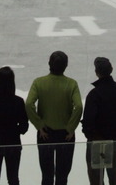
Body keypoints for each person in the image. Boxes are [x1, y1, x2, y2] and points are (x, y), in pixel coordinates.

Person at [25, 51, 83, 185]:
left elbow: (28, 104)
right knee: (62, 176)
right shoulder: (71, 84)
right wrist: (71, 127)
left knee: (47, 175)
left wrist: (39, 125)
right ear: (66, 65)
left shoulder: (39, 82)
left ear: (49, 64)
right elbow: (79, 106)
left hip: (45, 133)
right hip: (65, 134)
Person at [81, 57, 116, 185]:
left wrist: (91, 136)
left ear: (96, 72)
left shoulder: (94, 94)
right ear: (111, 69)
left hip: (97, 143)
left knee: (96, 180)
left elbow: (88, 121)